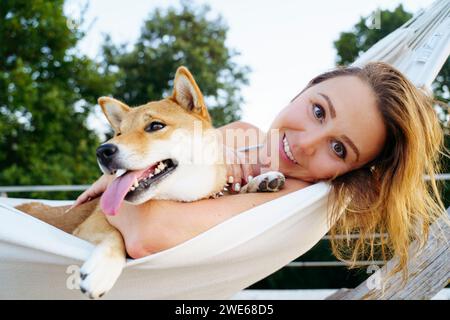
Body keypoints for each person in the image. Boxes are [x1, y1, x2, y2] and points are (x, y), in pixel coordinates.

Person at [70, 62, 448, 280]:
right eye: (318, 110)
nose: (302, 144)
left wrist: (124, 182)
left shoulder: (294, 199)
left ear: (353, 172)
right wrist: (126, 165)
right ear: (304, 89)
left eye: (338, 148)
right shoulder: (244, 135)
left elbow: (143, 233)